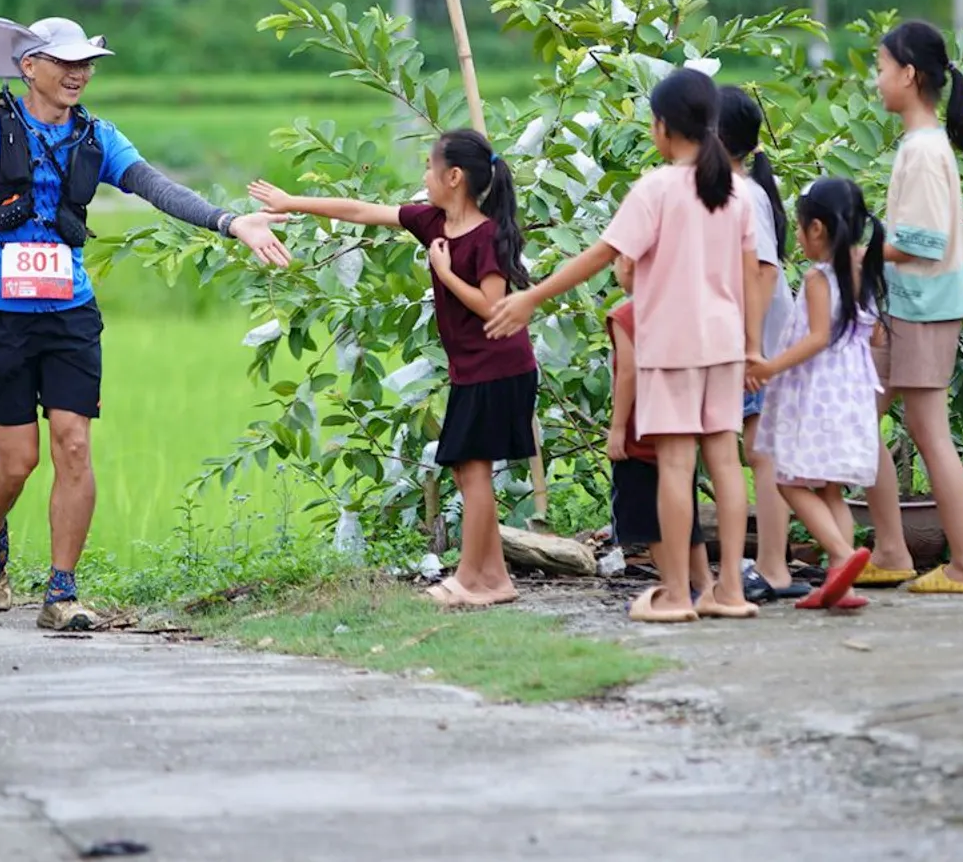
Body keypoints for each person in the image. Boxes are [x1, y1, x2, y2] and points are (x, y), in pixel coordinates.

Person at [0, 16, 291, 631]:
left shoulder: (99, 137)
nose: (79, 74)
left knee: (74, 444)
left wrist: (230, 222)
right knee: (17, 462)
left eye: (87, 64)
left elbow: (156, 187)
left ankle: (61, 593)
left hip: (70, 312)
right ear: (29, 67)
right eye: (65, 63)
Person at [486, 68, 763, 624]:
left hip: (672, 346)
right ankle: (730, 591)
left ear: (662, 127)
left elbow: (600, 255)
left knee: (677, 465)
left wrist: (531, 297)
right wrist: (753, 345)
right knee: (726, 464)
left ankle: (677, 595)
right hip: (725, 342)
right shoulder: (734, 192)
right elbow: (751, 272)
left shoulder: (657, 188)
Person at [249, 128, 537, 609]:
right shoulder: (433, 222)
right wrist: (291, 202)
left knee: (474, 473)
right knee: (466, 472)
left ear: (454, 176)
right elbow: (361, 211)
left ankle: (469, 579)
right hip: (473, 370)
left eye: (428, 167)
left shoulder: (487, 236)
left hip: (499, 368)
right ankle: (495, 579)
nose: (423, 176)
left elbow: (493, 307)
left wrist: (445, 274)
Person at [860, 20, 963, 594]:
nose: (877, 80)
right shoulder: (922, 145)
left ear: (909, 75)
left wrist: (856, 254)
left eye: (881, 68)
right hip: (911, 304)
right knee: (861, 416)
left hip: (924, 305)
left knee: (927, 429)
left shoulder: (923, 150)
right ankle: (891, 549)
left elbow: (922, 242)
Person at [747, 178, 884, 611]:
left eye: (800, 228)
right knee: (830, 491)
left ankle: (842, 556)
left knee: (788, 480)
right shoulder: (864, 270)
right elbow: (876, 335)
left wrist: (770, 367)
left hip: (819, 393)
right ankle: (844, 585)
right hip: (853, 392)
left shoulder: (818, 277)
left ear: (818, 229)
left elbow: (819, 336)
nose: (799, 238)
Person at [717, 86, 807, 603]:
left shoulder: (742, 194)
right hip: (752, 341)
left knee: (763, 452)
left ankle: (774, 565)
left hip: (759, 344)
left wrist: (751, 345)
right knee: (759, 449)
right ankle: (773, 562)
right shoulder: (736, 189)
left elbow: (765, 270)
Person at [607, 253, 713, 605]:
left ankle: (673, 588)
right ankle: (705, 587)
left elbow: (627, 373)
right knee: (688, 521)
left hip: (640, 434)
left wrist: (617, 428)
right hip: (678, 429)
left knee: (650, 524)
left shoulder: (626, 315)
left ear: (629, 264)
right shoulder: (679, 311)